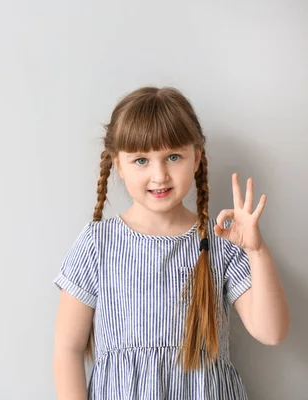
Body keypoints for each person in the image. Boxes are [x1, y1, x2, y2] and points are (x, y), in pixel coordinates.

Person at [52, 86, 290, 399]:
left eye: (173, 156)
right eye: (141, 160)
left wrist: (257, 251)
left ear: (196, 158)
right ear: (118, 164)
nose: (160, 175)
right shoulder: (97, 244)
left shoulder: (220, 241)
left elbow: (271, 332)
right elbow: (67, 350)